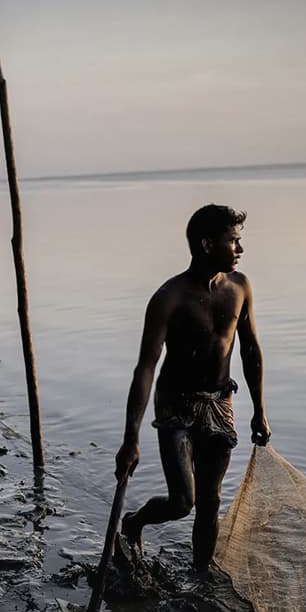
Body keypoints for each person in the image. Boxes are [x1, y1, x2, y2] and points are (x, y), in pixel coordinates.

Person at [115, 203, 270, 572]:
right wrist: (130, 437)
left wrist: (260, 411)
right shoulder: (170, 297)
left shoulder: (240, 287)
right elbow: (146, 367)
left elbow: (249, 348)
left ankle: (202, 576)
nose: (240, 249)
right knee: (183, 502)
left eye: (239, 241)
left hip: (220, 402)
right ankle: (134, 523)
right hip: (176, 405)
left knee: (211, 501)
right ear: (205, 244)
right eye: (232, 241)